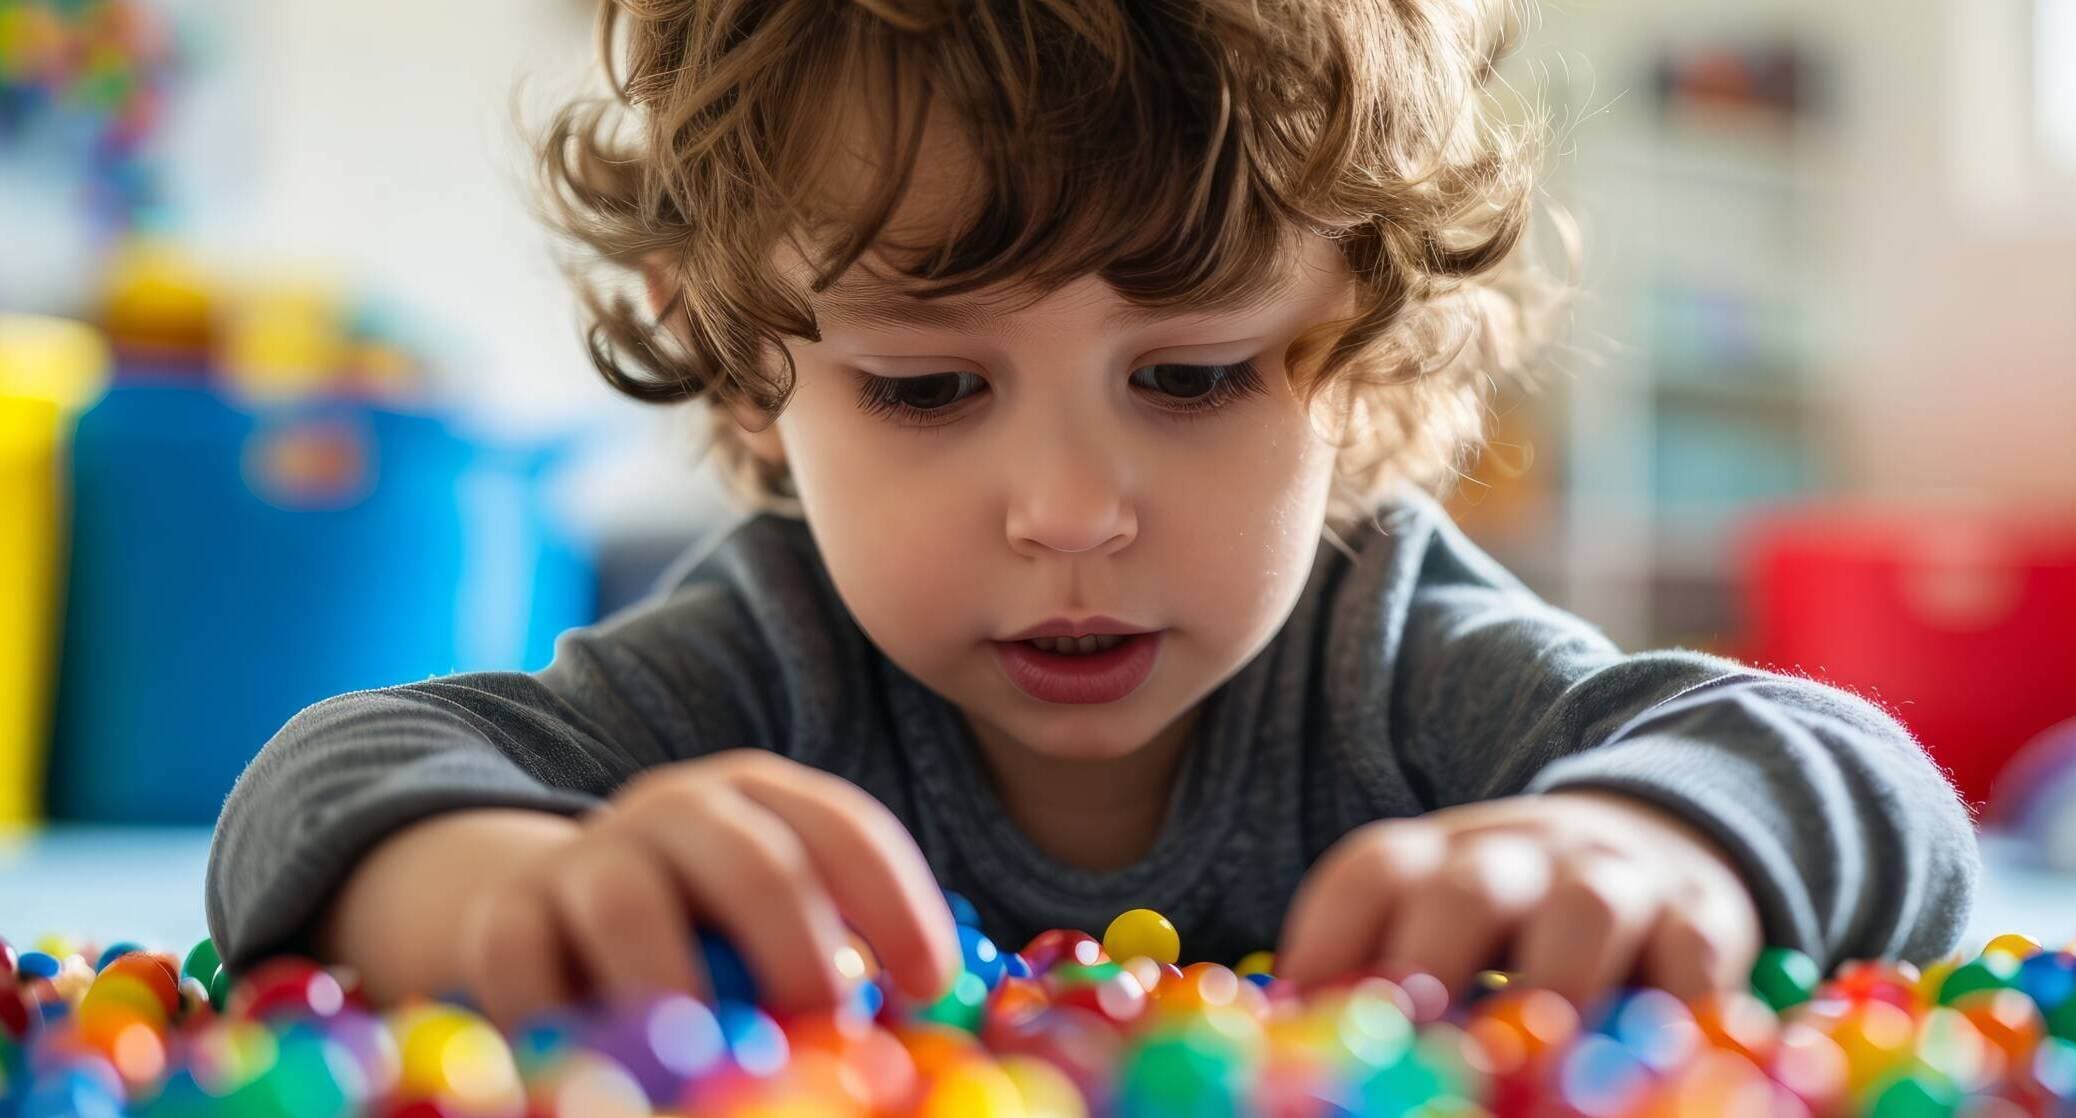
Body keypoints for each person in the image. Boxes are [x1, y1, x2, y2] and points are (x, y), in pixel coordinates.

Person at [207, 0, 1979, 1030]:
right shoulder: (769, 660)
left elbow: (1856, 776)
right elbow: (323, 780)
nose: (1068, 514)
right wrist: (509, 884)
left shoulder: (1397, 655)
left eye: (1196, 377)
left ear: (1360, 357)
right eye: (925, 388)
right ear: (749, 369)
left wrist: (1644, 845)